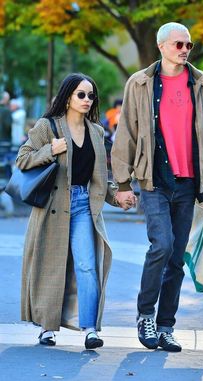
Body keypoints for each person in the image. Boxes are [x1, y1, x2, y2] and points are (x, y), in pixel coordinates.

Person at [111, 22, 203, 352]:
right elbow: (127, 135)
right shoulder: (141, 83)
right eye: (178, 44)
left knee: (176, 257)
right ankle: (145, 314)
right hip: (154, 181)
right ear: (161, 46)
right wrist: (122, 183)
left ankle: (165, 326)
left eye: (188, 44)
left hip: (189, 184)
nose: (185, 49)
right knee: (161, 246)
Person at [16, 73, 130, 349]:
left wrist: (119, 198)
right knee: (51, 267)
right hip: (53, 207)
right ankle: (47, 328)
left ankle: (90, 328)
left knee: (87, 265)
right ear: (67, 97)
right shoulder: (47, 126)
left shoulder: (96, 131)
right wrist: (50, 150)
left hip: (83, 206)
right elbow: (22, 159)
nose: (87, 100)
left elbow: (100, 177)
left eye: (91, 96)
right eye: (81, 94)